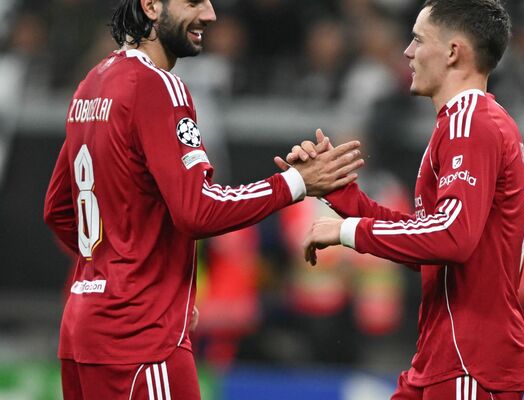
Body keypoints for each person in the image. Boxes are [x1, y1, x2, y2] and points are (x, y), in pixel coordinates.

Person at [42, 0, 363, 398]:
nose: (210, 14)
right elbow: (198, 210)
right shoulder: (159, 86)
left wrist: (123, 278)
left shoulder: (92, 85)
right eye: (193, 1)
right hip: (140, 338)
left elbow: (58, 209)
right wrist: (296, 182)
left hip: (83, 331)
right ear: (151, 6)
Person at [292, 1, 524, 398]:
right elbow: (429, 238)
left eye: (419, 40)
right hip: (443, 355)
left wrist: (348, 231)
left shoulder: (471, 124)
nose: (407, 52)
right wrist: (338, 193)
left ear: (453, 52)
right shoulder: (465, 123)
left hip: (469, 362)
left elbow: (451, 237)